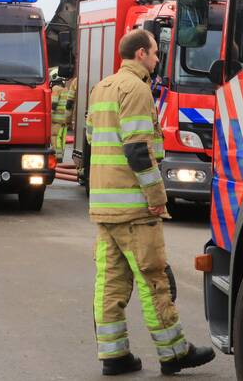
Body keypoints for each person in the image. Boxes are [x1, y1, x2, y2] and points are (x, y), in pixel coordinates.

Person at [87, 29, 214, 376]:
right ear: (141, 53)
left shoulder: (102, 87)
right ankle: (173, 352)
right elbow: (137, 151)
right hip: (134, 208)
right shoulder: (137, 89)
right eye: (156, 54)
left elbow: (91, 136)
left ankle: (113, 356)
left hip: (104, 206)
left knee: (110, 283)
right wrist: (157, 198)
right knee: (153, 279)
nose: (158, 60)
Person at [51, 75, 77, 160]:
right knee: (62, 138)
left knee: (55, 137)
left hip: (56, 119)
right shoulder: (65, 90)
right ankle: (61, 155)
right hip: (65, 119)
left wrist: (48, 115)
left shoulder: (55, 88)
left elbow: (54, 104)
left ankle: (57, 155)